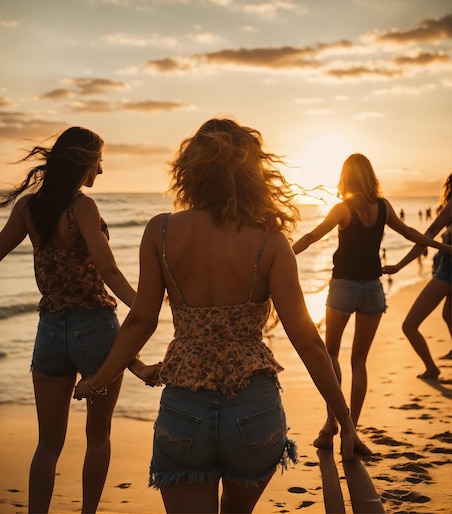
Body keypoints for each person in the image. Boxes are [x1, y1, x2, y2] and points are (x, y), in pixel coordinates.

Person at [74, 118, 372, 514]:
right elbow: (308, 342)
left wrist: (97, 380)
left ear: (190, 172)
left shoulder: (160, 231)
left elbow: (140, 322)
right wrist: (345, 421)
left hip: (184, 409)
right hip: (254, 410)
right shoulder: (270, 240)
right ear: (251, 173)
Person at [0, 126, 153, 514]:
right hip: (95, 330)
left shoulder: (28, 208)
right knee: (97, 436)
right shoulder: (82, 208)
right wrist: (144, 306)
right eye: (99, 161)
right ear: (84, 162)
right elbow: (109, 270)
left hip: (49, 333)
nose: (100, 171)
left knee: (47, 444)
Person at [292, 154, 452, 450]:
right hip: (373, 291)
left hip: (343, 288)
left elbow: (313, 236)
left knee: (331, 356)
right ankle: (352, 432)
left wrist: (284, 256)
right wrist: (443, 246)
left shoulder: (342, 209)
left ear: (345, 178)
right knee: (360, 361)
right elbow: (412, 234)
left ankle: (332, 423)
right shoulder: (383, 206)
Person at [383, 174, 452, 377]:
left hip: (449, 272)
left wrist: (399, 265)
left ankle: (431, 367)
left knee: (409, 325)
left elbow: (428, 234)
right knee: (448, 314)